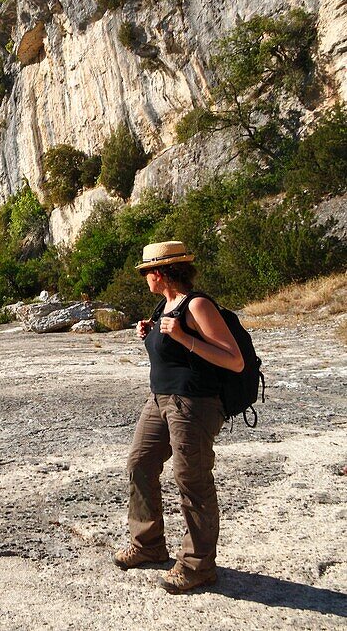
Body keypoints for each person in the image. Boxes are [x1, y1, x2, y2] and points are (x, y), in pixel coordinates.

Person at [113, 241, 244, 593]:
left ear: (160, 273)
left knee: (192, 479)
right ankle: (149, 544)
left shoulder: (197, 304)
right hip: (159, 400)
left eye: (146, 273)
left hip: (194, 404)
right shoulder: (163, 305)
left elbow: (234, 360)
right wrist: (151, 332)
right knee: (140, 464)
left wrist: (184, 338)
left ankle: (198, 565)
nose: (145, 279)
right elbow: (169, 349)